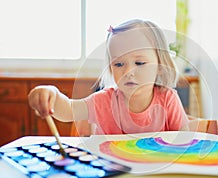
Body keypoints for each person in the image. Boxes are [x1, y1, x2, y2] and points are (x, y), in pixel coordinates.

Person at [28, 19, 189, 134]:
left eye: (139, 63)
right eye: (118, 64)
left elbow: (183, 140)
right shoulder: (104, 101)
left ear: (160, 66)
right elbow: (69, 110)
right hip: (111, 174)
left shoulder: (168, 99)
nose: (128, 72)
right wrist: (52, 95)